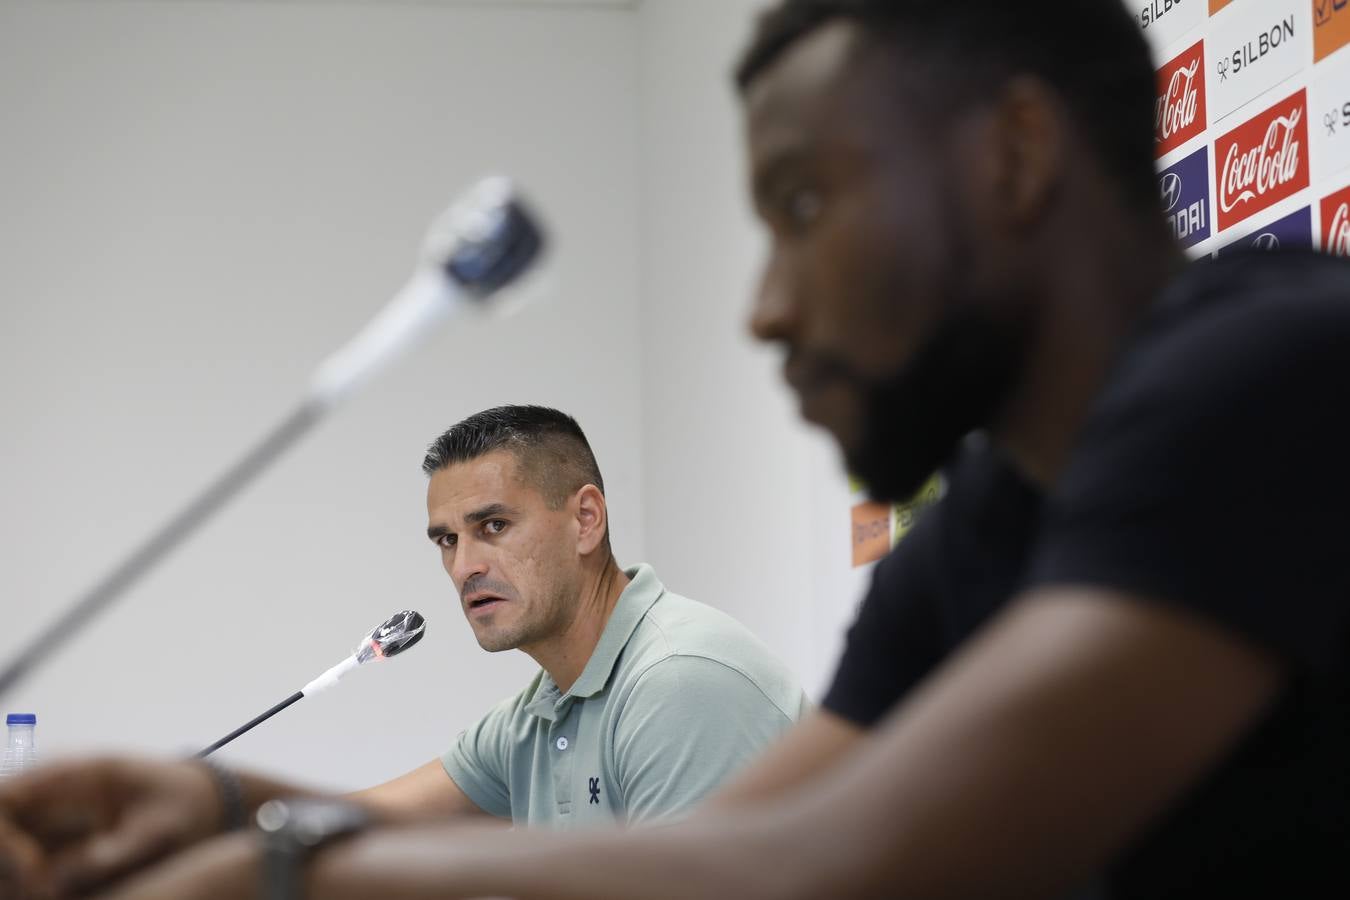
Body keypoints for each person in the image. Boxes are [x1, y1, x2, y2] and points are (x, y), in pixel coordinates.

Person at [5, 1, 1350, 897]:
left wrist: (279, 869)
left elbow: (818, 870)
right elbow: (736, 842)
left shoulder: (1272, 379)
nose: (764, 306)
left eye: (803, 202)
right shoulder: (993, 518)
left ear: (1011, 155)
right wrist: (211, 803)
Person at [0, 405, 805, 896]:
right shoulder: (536, 713)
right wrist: (195, 807)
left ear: (585, 519)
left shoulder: (680, 683)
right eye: (445, 540)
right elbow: (369, 821)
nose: (463, 567)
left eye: (493, 527)